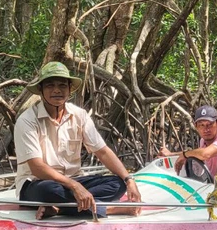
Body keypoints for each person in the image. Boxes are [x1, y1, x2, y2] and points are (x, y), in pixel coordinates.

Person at [14, 62, 141, 218]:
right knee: (49, 191)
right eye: (50, 86)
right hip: (38, 183)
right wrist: (75, 187)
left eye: (62, 85)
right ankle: (111, 209)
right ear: (40, 90)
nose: (56, 90)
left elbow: (102, 151)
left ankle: (58, 209)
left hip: (74, 180)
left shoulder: (79, 115)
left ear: (69, 89)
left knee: (117, 184)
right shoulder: (27, 120)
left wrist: (129, 180)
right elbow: (37, 168)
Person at [158, 105, 217, 181]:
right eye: (201, 125)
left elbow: (205, 154)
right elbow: (198, 152)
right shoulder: (203, 141)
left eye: (209, 124)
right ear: (196, 126)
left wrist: (185, 155)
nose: (206, 129)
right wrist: (170, 154)